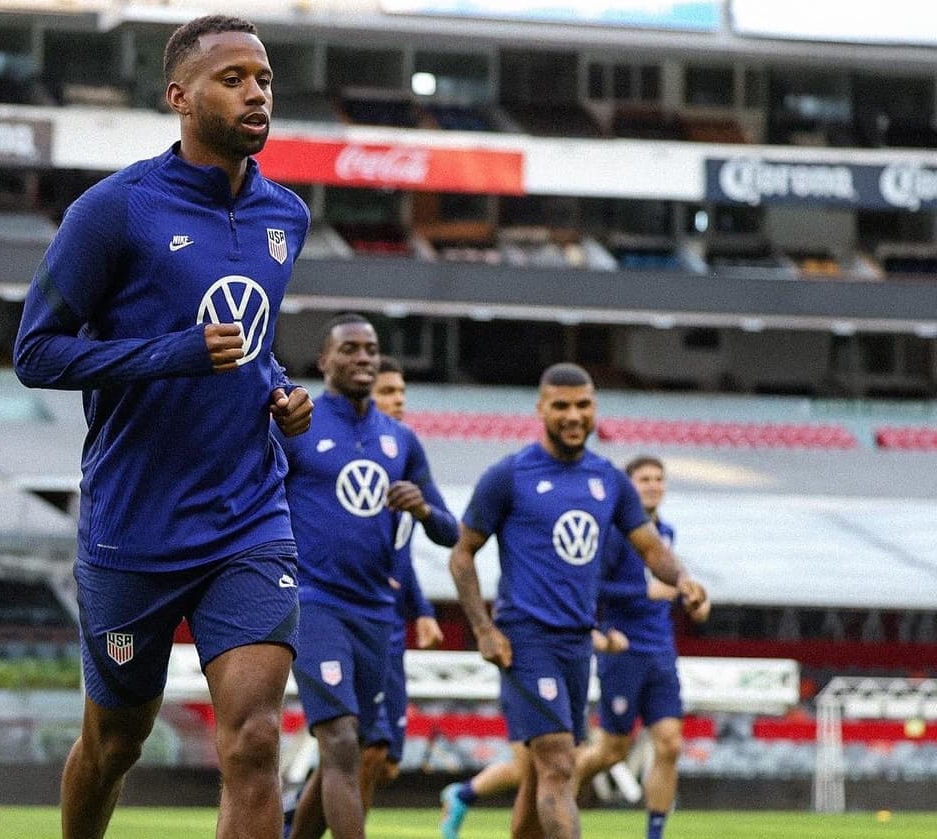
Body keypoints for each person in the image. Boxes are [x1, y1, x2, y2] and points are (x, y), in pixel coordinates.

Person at [12, 15, 313, 839]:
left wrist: (282, 389)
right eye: (233, 78)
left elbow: (251, 346)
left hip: (249, 517)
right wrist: (172, 354)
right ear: (180, 97)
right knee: (116, 742)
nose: (256, 92)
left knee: (253, 739)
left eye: (264, 78)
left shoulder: (287, 215)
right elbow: (35, 352)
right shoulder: (114, 211)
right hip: (133, 528)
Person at [447, 363, 706, 839]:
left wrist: (684, 580)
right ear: (541, 409)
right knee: (559, 763)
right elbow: (462, 555)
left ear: (595, 409)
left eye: (582, 405)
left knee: (540, 770)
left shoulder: (608, 480)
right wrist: (484, 629)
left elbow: (651, 548)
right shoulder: (509, 475)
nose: (572, 415)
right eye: (561, 405)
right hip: (524, 637)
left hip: (576, 643)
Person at [281, 316, 457, 839]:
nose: (363, 357)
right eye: (350, 349)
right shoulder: (296, 425)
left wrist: (422, 507)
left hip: (377, 615)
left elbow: (451, 531)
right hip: (312, 601)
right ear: (325, 361)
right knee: (337, 738)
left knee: (355, 750)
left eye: (371, 349)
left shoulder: (399, 439)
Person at [573, 456, 710, 839]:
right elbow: (592, 586)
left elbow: (671, 584)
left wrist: (694, 599)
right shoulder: (615, 533)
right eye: (644, 479)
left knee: (669, 744)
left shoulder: (666, 532)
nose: (653, 485)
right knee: (612, 750)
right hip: (624, 651)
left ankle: (655, 833)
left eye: (658, 479)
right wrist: (642, 591)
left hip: (661, 651)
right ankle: (554, 792)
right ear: (629, 486)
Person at [358, 356, 448, 801]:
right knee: (358, 749)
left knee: (386, 761)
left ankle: (293, 824)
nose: (398, 401)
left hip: (391, 623)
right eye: (388, 392)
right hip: (345, 614)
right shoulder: (351, 460)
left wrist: (424, 611)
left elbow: (402, 555)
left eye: (401, 393)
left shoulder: (404, 453)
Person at [437, 630, 628, 839]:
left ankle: (464, 795)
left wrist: (602, 642)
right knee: (535, 769)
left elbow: (573, 615)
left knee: (550, 768)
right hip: (529, 667)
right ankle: (463, 795)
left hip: (567, 671)